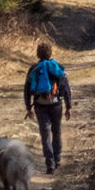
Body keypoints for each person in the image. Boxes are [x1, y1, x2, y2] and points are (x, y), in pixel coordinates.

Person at [23, 41, 71, 174]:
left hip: (40, 105)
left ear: (38, 54)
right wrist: (68, 106)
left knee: (45, 134)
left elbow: (27, 89)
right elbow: (65, 87)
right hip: (56, 104)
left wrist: (28, 107)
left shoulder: (34, 69)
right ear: (51, 53)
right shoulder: (57, 67)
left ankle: (49, 164)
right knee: (57, 132)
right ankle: (58, 159)